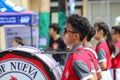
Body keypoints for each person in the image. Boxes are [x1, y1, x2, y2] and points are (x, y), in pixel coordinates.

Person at [62, 14, 95, 80]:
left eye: (66, 30)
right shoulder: (76, 53)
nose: (63, 33)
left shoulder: (77, 59)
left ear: (76, 36)